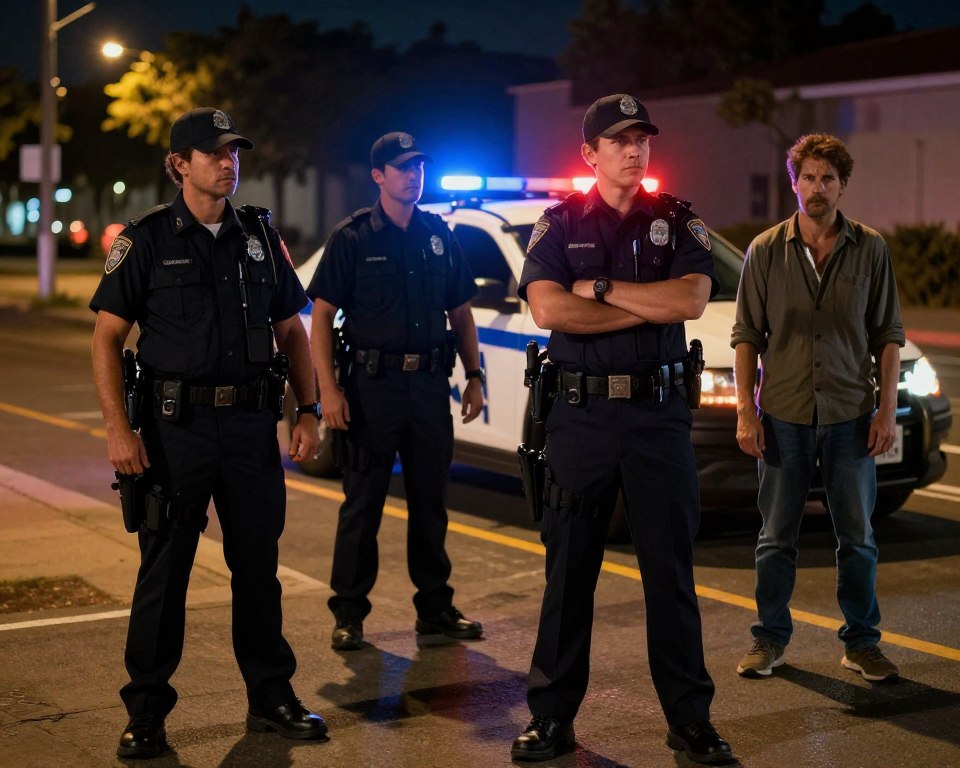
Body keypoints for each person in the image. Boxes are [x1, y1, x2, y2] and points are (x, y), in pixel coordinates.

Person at [90, 107, 328, 759]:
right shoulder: (145, 239)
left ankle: (271, 696)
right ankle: (146, 712)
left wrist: (307, 410)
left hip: (250, 428)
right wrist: (118, 430)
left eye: (235, 152)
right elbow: (107, 338)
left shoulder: (260, 236)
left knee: (258, 568)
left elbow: (291, 329)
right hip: (176, 432)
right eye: (215, 153)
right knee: (164, 573)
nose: (229, 163)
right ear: (179, 164)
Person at [511, 94, 733, 764]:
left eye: (642, 139)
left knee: (670, 574)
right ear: (590, 153)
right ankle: (552, 717)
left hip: (656, 419)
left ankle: (690, 720)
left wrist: (602, 290)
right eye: (619, 140)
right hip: (580, 419)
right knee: (569, 572)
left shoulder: (677, 220)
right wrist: (647, 307)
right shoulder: (558, 224)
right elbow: (550, 311)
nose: (634, 150)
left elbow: (691, 298)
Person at [732, 133, 903, 683]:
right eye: (808, 177)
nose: (818, 187)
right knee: (775, 538)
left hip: (851, 413)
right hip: (783, 414)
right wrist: (745, 411)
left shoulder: (870, 248)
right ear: (794, 182)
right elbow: (746, 336)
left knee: (858, 538)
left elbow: (888, 335)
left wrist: (886, 411)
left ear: (842, 184)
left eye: (828, 178)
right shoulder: (765, 250)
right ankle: (769, 639)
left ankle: (862, 643)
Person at [306, 131, 485, 652]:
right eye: (403, 167)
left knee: (431, 502)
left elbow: (461, 312)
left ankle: (434, 608)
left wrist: (473, 376)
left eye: (418, 167)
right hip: (372, 389)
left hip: (428, 386)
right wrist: (329, 391)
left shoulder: (437, 234)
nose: (413, 175)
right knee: (363, 505)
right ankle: (349, 612)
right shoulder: (353, 237)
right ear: (378, 175)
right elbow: (322, 317)